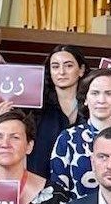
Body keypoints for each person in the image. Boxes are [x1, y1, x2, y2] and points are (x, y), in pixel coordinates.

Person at [50, 68, 111, 199]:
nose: (101, 100)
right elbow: (58, 189)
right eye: (95, 93)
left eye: (108, 93)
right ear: (85, 99)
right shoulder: (68, 137)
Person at [28, 45, 87, 178]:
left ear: (81, 70)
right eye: (55, 66)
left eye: (68, 66)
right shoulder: (36, 108)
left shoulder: (92, 106)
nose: (61, 72)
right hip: (42, 185)